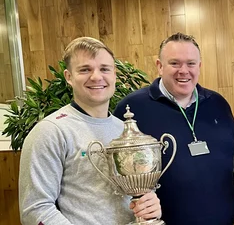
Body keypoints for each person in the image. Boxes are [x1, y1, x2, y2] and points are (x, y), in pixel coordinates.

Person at [19, 37, 161, 225]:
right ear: (68, 77)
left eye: (104, 69)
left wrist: (149, 204)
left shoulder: (124, 131)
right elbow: (35, 209)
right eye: (85, 69)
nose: (96, 77)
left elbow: (136, 193)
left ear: (114, 75)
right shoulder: (51, 131)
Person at [113, 32, 234, 225]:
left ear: (200, 66)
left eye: (190, 63)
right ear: (159, 66)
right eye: (175, 63)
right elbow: (116, 178)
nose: (184, 71)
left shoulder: (218, 104)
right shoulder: (131, 109)